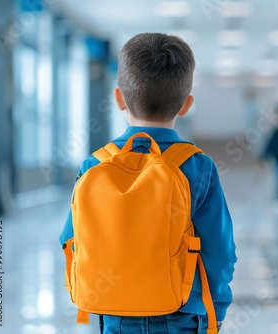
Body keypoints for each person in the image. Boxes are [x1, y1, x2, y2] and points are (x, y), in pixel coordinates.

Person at [59, 33, 237, 334]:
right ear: (185, 105)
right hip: (183, 313)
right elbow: (220, 252)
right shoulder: (197, 166)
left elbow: (71, 239)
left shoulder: (94, 164)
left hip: (112, 314)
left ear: (118, 98)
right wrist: (215, 310)